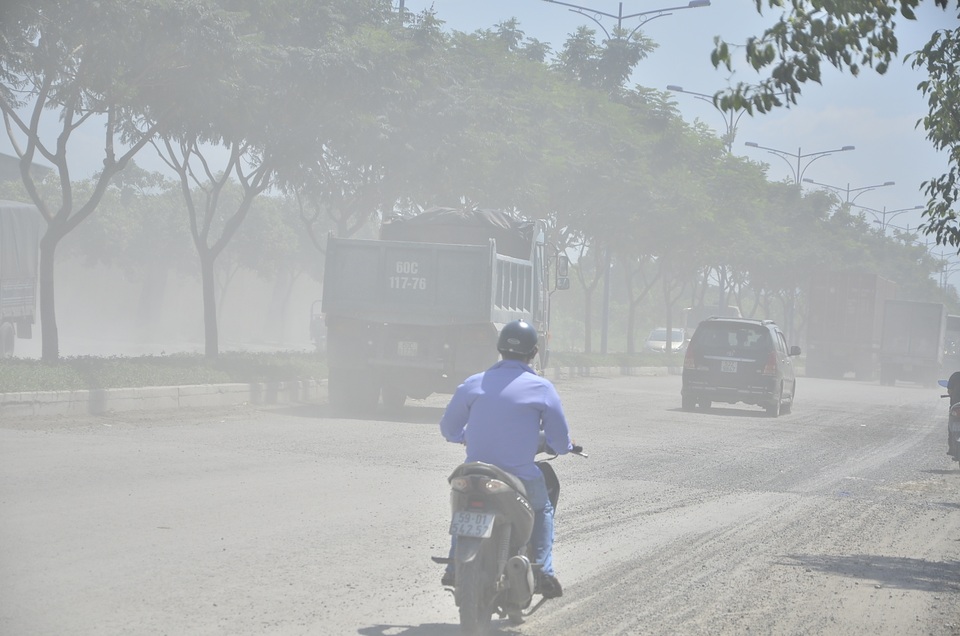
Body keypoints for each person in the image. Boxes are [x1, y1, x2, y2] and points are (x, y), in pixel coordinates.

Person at [439, 319, 574, 599]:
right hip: (519, 476)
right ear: (534, 352)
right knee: (543, 509)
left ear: (499, 348)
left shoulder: (473, 383)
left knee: (463, 508)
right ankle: (544, 571)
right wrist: (564, 446)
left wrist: (463, 436)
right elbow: (559, 441)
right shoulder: (541, 388)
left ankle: (454, 563)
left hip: (473, 472)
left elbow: (448, 429)